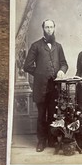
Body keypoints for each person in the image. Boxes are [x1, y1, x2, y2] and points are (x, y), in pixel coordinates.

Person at [24, 19, 68, 152]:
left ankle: (52, 140)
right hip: (40, 87)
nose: (49, 29)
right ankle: (41, 142)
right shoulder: (35, 45)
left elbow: (64, 63)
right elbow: (27, 66)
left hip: (55, 87)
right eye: (47, 27)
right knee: (41, 115)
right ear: (43, 28)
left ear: (54, 28)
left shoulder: (58, 46)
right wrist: (39, 74)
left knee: (53, 114)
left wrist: (61, 70)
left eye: (51, 27)